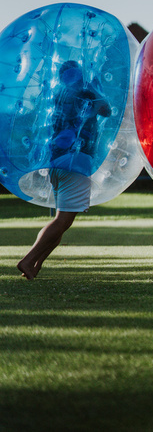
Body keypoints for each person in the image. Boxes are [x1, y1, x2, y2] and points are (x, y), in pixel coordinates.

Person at [17, 61, 111, 280]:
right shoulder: (85, 91)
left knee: (63, 220)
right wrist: (94, 86)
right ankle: (29, 260)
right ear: (79, 74)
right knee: (62, 221)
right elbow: (106, 109)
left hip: (57, 162)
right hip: (76, 161)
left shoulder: (58, 94)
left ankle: (35, 265)